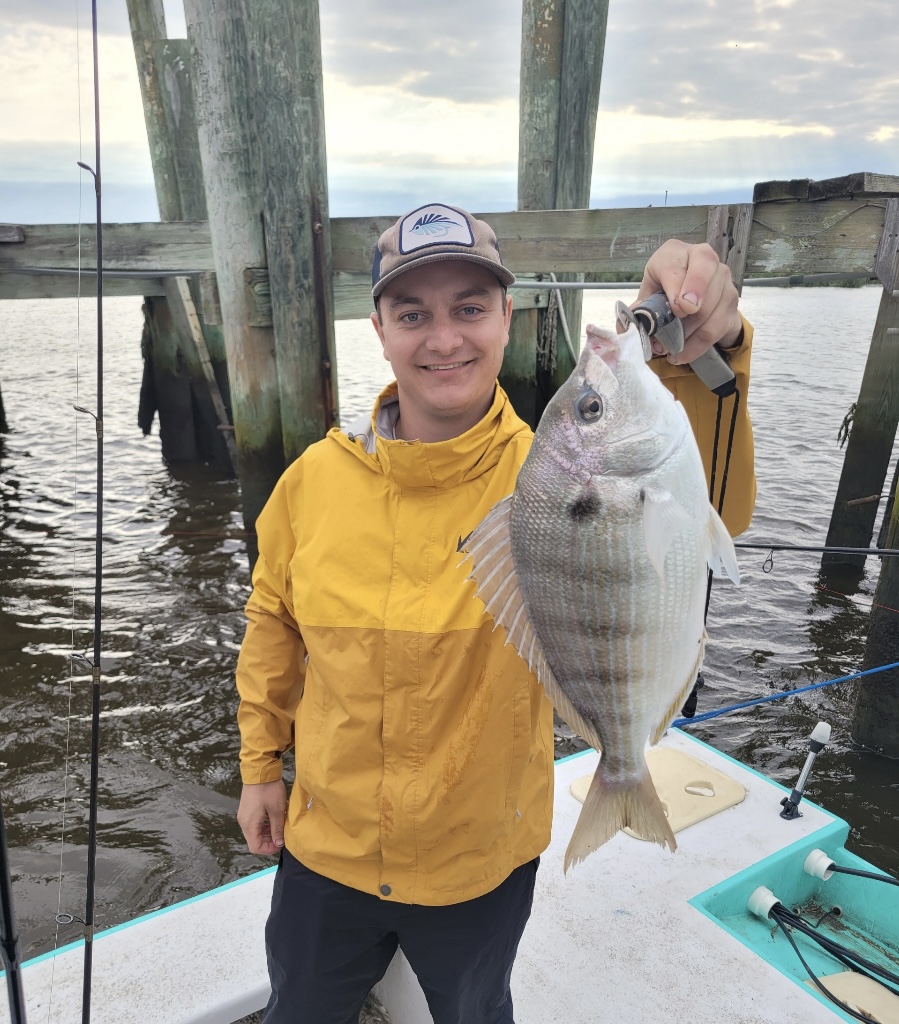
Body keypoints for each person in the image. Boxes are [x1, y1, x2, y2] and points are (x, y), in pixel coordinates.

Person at [235, 202, 756, 1024]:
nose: (443, 340)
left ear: (507, 318)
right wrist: (261, 766)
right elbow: (273, 626)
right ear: (378, 329)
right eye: (413, 314)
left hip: (479, 859)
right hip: (324, 847)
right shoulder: (309, 482)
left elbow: (704, 502)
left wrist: (707, 351)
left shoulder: (549, 473)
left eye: (470, 309)